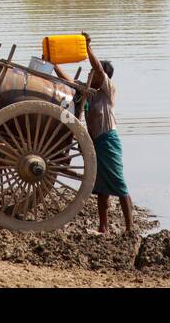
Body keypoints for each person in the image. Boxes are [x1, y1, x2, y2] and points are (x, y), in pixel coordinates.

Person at [54, 32, 133, 235]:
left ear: (103, 77)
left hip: (108, 140)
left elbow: (98, 68)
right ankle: (103, 227)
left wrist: (88, 48)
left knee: (119, 183)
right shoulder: (87, 92)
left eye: (94, 74)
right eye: (91, 73)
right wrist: (54, 64)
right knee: (101, 188)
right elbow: (68, 81)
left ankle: (130, 228)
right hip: (95, 142)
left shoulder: (108, 90)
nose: (91, 75)